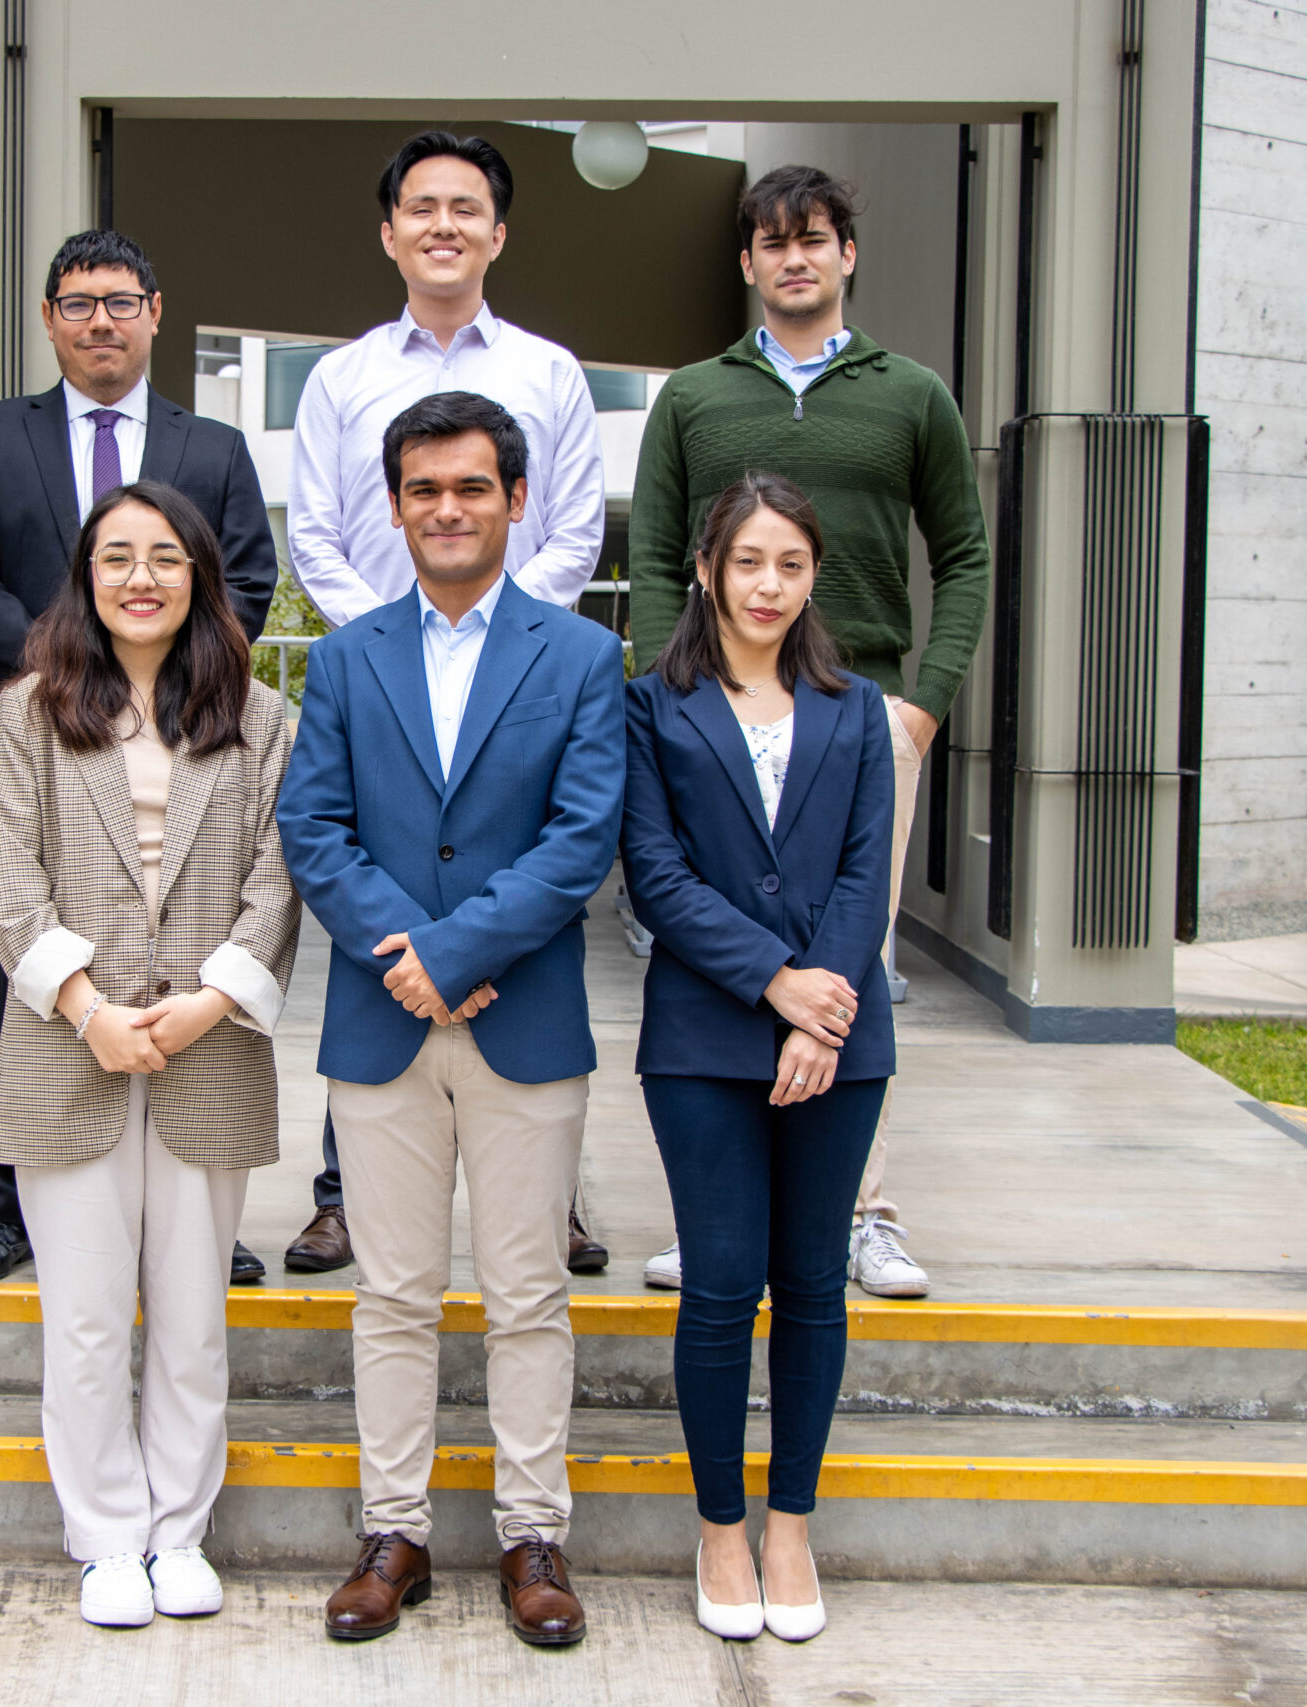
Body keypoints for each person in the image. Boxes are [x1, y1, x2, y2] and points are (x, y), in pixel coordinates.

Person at [278, 392, 625, 1648]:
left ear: (516, 499)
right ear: (393, 505)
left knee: (527, 1294)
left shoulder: (579, 656)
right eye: (422, 489)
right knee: (392, 1297)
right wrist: (411, 961)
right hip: (383, 1027)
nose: (447, 509)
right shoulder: (345, 658)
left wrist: (457, 952)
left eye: (471, 486)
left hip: (521, 1022)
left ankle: (533, 1535)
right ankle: (395, 1533)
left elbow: (582, 836)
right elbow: (314, 830)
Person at [627, 164, 989, 1301]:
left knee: (850, 955)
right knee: (713, 941)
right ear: (747, 262)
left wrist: (923, 702)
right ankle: (716, 1211)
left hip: (860, 719)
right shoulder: (692, 397)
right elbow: (654, 559)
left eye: (815, 238)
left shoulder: (913, 395)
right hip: (709, 720)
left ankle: (860, 1214)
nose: (795, 257)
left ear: (846, 255)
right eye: (774, 241)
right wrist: (666, 700)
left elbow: (966, 557)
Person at [280, 127, 611, 1279]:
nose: (442, 226)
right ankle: (344, 1194)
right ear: (388, 234)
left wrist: (506, 639)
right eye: (420, 207)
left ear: (498, 233)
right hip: (378, 685)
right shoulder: (340, 378)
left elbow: (573, 528)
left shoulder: (550, 374)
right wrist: (391, 638)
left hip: (519, 683)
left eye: (465, 208)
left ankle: (550, 1197)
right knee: (378, 914)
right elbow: (314, 530)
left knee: (522, 902)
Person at [0, 228, 278, 1286]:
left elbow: (245, 581)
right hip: (35, 747)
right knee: (19, 978)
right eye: (78, 304)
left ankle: (193, 1202)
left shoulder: (214, 448)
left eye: (121, 302)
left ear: (155, 313)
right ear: (49, 320)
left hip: (187, 747)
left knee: (188, 960)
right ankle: (3, 1203)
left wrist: (163, 675)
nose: (101, 322)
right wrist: (73, 665)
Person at [0, 481, 300, 1627]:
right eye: (115, 557)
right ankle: (108, 1536)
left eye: (164, 556)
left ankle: (179, 1530)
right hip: (68, 1051)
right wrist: (87, 1009)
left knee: (192, 1316)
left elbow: (277, 881)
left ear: (199, 575)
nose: (140, 578)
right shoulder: (29, 712)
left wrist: (210, 1004)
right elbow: (10, 882)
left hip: (209, 1050)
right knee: (83, 1319)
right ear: (86, 576)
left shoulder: (262, 718)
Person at [622, 472, 896, 1643]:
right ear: (705, 571)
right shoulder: (652, 706)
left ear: (813, 575)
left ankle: (791, 1524)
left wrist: (817, 1013)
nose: (767, 585)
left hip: (840, 1040)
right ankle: (721, 1529)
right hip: (702, 1036)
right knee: (723, 1284)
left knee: (815, 1284)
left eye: (789, 564)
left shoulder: (856, 708)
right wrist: (773, 982)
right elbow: (654, 872)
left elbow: (865, 871)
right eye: (747, 562)